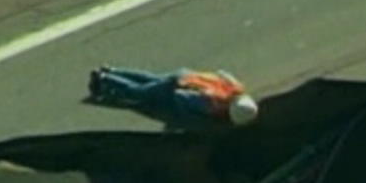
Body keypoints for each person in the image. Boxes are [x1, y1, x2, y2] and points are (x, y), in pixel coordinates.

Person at [88, 65, 259, 126]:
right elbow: (180, 97)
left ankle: (113, 70)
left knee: (149, 79)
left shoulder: (235, 89)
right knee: (139, 92)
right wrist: (182, 115)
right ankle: (105, 78)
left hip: (187, 75)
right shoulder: (212, 104)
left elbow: (222, 72)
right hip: (178, 85)